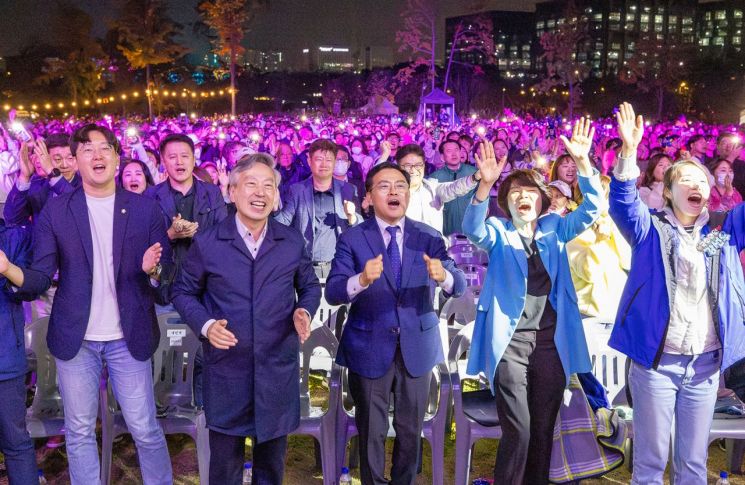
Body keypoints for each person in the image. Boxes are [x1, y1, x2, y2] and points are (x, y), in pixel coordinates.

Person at [0, 124, 174, 485]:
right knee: (78, 431)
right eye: (88, 150)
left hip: (129, 336)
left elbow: (166, 274)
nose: (97, 155)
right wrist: (8, 270)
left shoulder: (144, 209)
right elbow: (41, 275)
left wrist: (151, 268)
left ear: (116, 155)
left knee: (144, 427)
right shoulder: (57, 211)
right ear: (74, 161)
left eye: (105, 148)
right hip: (76, 340)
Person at [608, 102, 745, 484]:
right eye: (684, 179)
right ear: (667, 193)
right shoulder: (651, 231)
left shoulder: (720, 232)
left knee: (693, 466)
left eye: (701, 179)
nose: (695, 185)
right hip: (657, 365)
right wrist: (629, 152)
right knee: (651, 465)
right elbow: (622, 204)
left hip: (704, 368)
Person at [462, 119, 603, 484]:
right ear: (507, 202)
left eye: (529, 191)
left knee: (542, 431)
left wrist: (584, 164)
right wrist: (485, 186)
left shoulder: (556, 227)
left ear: (541, 200)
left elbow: (591, 210)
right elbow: (472, 229)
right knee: (520, 430)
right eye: (514, 192)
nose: (522, 196)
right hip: (510, 344)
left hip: (551, 343)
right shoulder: (498, 231)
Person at [172, 154, 321, 485]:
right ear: (232, 190)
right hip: (227, 369)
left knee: (271, 467)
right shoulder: (210, 242)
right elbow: (182, 292)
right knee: (224, 468)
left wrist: (304, 310)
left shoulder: (290, 240)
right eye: (251, 183)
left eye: (269, 185)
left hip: (275, 369)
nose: (261, 192)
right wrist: (207, 326)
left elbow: (309, 286)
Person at [326, 161, 466, 485]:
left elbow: (458, 284)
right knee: (371, 431)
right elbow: (334, 291)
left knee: (409, 431)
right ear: (369, 196)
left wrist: (443, 276)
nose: (394, 192)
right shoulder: (353, 239)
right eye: (384, 186)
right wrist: (360, 280)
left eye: (400, 186)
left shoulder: (428, 237)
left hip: (417, 347)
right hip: (368, 346)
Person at [275, 139, 360, 280]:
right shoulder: (297, 190)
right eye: (319, 159)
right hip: (306, 266)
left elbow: (359, 225)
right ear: (309, 161)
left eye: (329, 159)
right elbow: (283, 222)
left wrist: (352, 217)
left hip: (339, 266)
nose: (324, 164)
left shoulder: (348, 189)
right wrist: (275, 208)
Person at [144, 133, 228, 272]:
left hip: (205, 275)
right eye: (172, 157)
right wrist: (170, 235)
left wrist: (194, 231)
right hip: (167, 277)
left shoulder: (212, 192)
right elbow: (144, 243)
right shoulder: (151, 195)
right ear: (163, 162)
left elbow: (223, 233)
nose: (179, 162)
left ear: (194, 159)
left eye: (185, 156)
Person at [0, 222, 37, 484]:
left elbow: (28, 289)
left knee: (16, 441)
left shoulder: (13, 236)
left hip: (5, 359)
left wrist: (7, 270)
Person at [396, 143, 479, 235]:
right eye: (408, 166)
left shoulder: (433, 188)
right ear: (398, 168)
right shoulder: (391, 195)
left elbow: (453, 188)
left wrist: (475, 177)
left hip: (434, 246)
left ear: (423, 166)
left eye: (418, 165)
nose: (413, 170)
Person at [4, 135, 80, 226]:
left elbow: (77, 207)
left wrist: (53, 174)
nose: (64, 165)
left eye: (70, 158)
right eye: (57, 159)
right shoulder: (37, 185)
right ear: (45, 160)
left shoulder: (88, 185)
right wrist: (24, 177)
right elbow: (12, 218)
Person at [429, 139, 478, 236]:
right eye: (449, 151)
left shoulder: (474, 173)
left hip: (471, 229)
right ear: (442, 157)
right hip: (447, 229)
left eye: (456, 150)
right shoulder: (435, 178)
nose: (454, 154)